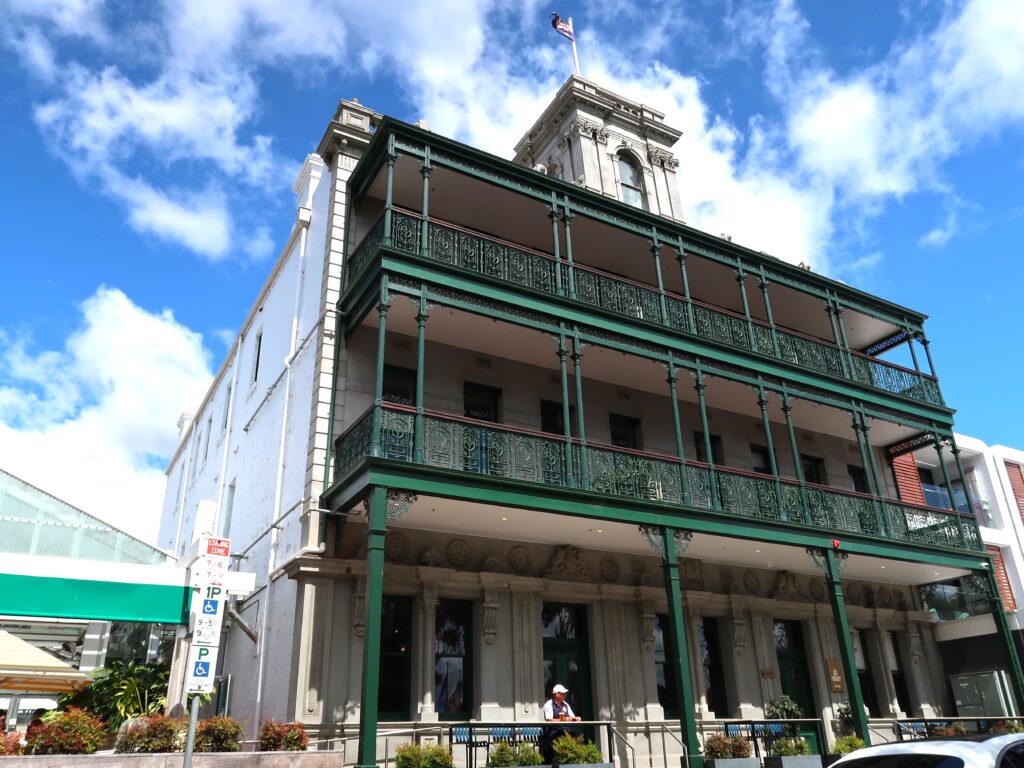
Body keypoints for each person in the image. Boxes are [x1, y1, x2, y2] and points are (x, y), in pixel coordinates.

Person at [542, 684, 581, 762]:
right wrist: (562, 720)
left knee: (577, 739)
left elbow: (572, 717)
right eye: (563, 693)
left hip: (565, 732)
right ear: (557, 694)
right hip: (553, 733)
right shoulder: (549, 704)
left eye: (565, 693)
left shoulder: (566, 704)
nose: (565, 695)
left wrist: (576, 718)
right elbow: (549, 720)